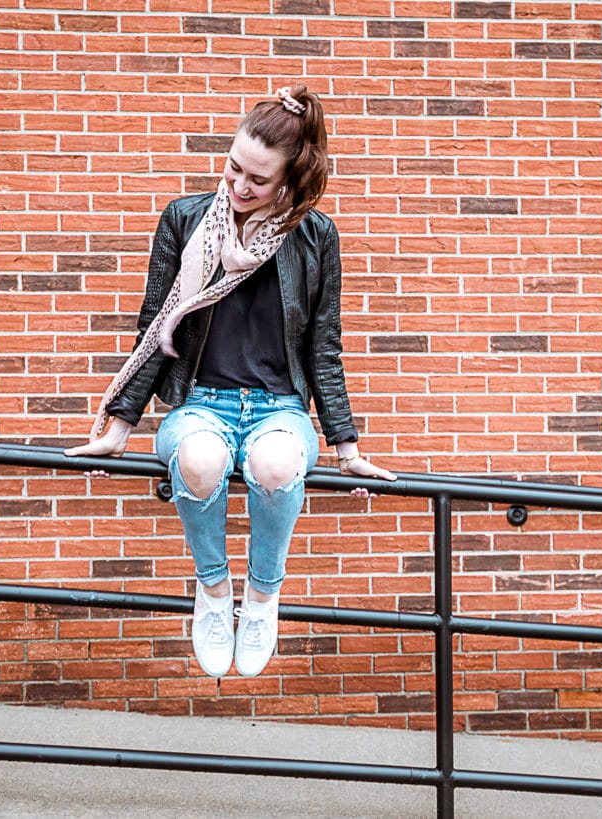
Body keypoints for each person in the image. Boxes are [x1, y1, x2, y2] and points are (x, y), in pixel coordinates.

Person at [65, 85, 396, 678]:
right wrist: (119, 426)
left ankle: (263, 598)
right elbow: (155, 329)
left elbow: (324, 347)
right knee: (197, 458)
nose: (240, 188)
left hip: (279, 408)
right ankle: (215, 593)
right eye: (233, 168)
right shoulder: (187, 219)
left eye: (259, 180)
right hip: (201, 404)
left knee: (274, 464)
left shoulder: (316, 238)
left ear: (291, 181)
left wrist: (347, 448)